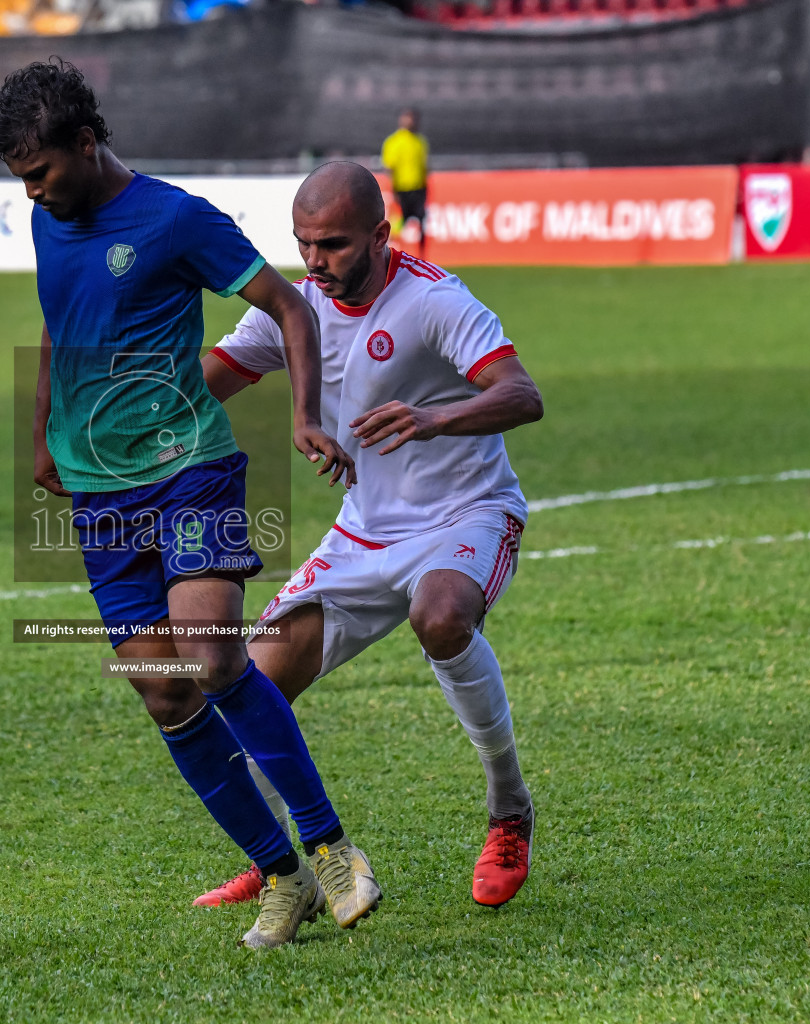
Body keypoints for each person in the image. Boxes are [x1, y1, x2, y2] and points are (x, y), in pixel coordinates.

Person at [0, 59, 380, 949]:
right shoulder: (52, 220)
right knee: (163, 692)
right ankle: (281, 877)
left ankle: (330, 849)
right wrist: (43, 431)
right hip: (97, 494)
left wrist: (307, 416)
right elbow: (57, 318)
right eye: (21, 179)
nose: (35, 193)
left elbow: (289, 307)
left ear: (86, 144)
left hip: (188, 467)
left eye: (42, 172)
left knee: (209, 654)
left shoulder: (174, 218)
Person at [198, 161, 543, 910]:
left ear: (381, 236)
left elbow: (523, 393)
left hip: (467, 513)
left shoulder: (434, 300)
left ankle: (509, 810)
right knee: (247, 682)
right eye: (304, 245)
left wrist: (434, 417)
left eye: (333, 245)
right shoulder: (294, 308)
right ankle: (283, 862)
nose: (315, 262)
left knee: (442, 616)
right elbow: (209, 379)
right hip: (362, 536)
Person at [381, 108, 429, 257]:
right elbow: (390, 167)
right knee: (397, 224)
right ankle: (388, 252)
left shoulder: (420, 141)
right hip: (401, 189)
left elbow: (424, 167)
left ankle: (422, 256)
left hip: (418, 189)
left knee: (422, 223)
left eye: (413, 118)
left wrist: (426, 188)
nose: (410, 121)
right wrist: (393, 189)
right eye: (407, 118)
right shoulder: (394, 141)